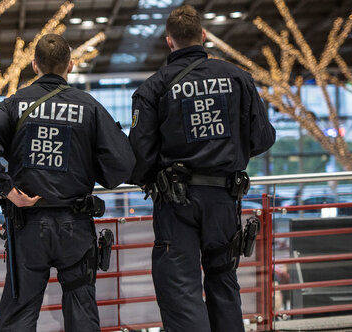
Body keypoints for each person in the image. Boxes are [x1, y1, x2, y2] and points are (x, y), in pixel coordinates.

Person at [0, 34, 135, 332]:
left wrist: (7, 188)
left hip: (27, 225)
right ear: (70, 65)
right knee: (82, 312)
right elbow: (122, 162)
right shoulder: (89, 106)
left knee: (19, 316)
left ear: (34, 65)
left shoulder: (15, 104)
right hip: (76, 224)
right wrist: (93, 172)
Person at [128, 5, 275, 332]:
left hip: (176, 203)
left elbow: (139, 154)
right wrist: (228, 155)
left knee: (181, 289)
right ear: (204, 36)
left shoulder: (154, 87)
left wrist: (147, 178)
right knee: (223, 281)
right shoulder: (238, 78)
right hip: (224, 198)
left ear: (169, 41)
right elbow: (263, 137)